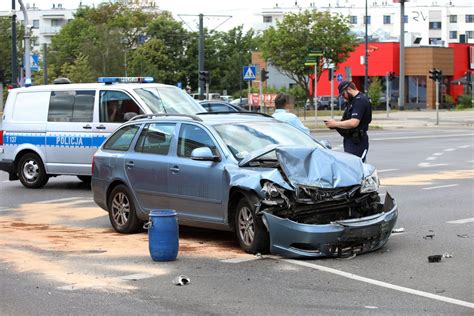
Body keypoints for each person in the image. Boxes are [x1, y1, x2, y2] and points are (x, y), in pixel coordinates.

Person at [324, 81, 372, 162]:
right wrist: (335, 125)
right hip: (351, 139)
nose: (343, 97)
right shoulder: (353, 101)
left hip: (357, 141)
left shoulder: (360, 101)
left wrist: (335, 124)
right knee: (352, 166)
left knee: (354, 167)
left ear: (349, 89)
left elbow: (354, 122)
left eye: (343, 94)